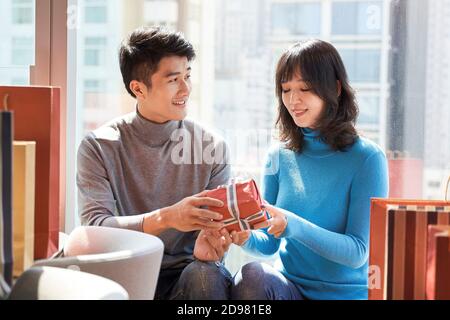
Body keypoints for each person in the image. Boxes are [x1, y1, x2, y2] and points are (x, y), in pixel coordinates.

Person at [77, 26, 238, 300]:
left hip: (190, 277)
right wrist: (166, 217)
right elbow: (94, 228)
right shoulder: (98, 146)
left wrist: (216, 241)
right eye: (174, 79)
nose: (186, 88)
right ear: (138, 88)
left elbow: (217, 234)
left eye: (188, 76)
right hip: (124, 271)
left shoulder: (212, 147)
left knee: (206, 275)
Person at [229, 39, 389, 300]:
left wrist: (293, 225)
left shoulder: (367, 158)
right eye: (285, 89)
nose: (293, 100)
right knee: (251, 276)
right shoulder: (277, 155)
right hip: (290, 290)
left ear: (335, 88)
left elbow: (357, 252)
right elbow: (269, 243)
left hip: (344, 296)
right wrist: (244, 235)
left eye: (305, 88)